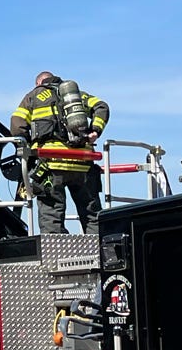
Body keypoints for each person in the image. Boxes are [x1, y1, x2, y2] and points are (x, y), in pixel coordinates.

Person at [11, 72, 110, 234]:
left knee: (52, 214)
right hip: (82, 165)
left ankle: (55, 253)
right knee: (92, 214)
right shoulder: (76, 95)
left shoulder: (33, 96)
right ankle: (102, 251)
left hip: (51, 164)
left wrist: (25, 149)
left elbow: (17, 123)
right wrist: (95, 131)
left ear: (39, 83)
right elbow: (102, 106)